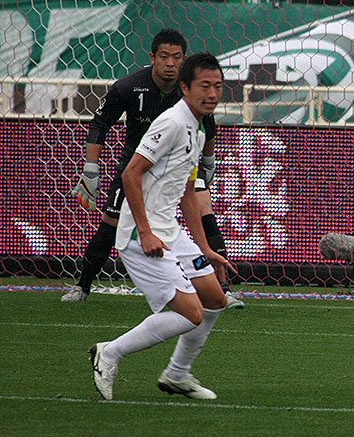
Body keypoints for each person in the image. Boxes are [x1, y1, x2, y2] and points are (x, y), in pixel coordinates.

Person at [90, 53, 236, 402]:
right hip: (141, 235)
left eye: (217, 86)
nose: (212, 94)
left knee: (215, 299)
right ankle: (109, 352)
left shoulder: (199, 128)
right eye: (204, 86)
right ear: (185, 88)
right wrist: (145, 232)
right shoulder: (172, 122)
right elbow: (131, 173)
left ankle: (177, 375)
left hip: (169, 230)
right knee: (192, 314)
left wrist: (204, 247)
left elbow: (187, 191)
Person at [64, 29, 243, 309]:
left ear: (184, 59)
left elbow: (208, 126)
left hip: (180, 167)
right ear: (152, 58)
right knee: (111, 223)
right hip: (137, 167)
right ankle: (83, 285)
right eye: (164, 57)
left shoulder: (192, 91)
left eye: (177, 57)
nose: (170, 63)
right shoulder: (128, 87)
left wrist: (209, 162)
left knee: (203, 208)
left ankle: (223, 289)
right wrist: (90, 169)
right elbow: (100, 123)